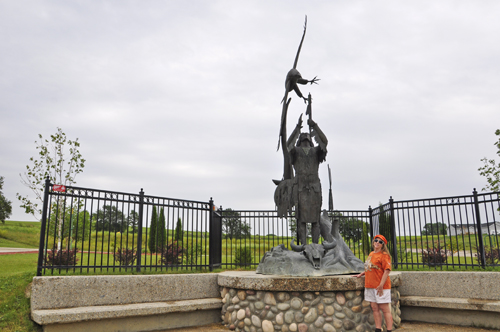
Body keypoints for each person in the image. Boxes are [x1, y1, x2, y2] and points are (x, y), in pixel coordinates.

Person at [353, 234, 393, 332]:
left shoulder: (384, 255)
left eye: (380, 242)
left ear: (383, 245)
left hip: (380, 287)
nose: (377, 243)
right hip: (370, 285)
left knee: (385, 309)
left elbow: (387, 271)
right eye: (376, 240)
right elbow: (370, 267)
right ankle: (378, 329)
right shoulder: (371, 254)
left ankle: (389, 330)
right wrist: (361, 274)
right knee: (375, 308)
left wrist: (381, 285)